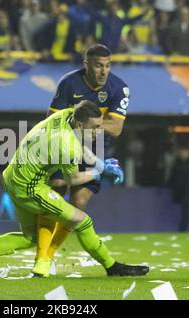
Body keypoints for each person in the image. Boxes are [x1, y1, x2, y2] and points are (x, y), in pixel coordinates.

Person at [0, 101, 149, 278]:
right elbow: (73, 179)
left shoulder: (64, 116)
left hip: (12, 176)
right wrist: (99, 174)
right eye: (95, 127)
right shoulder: (65, 143)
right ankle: (111, 267)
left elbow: (80, 150)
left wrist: (101, 165)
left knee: (30, 238)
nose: (98, 130)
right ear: (80, 124)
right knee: (83, 221)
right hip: (30, 188)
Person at [29, 43, 130, 277]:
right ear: (86, 65)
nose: (103, 72)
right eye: (98, 66)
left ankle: (48, 255)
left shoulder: (119, 88)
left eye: (107, 66)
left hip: (96, 149)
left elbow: (116, 128)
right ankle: (41, 258)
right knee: (55, 189)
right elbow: (51, 119)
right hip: (63, 147)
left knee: (79, 202)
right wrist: (87, 123)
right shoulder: (68, 83)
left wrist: (85, 123)